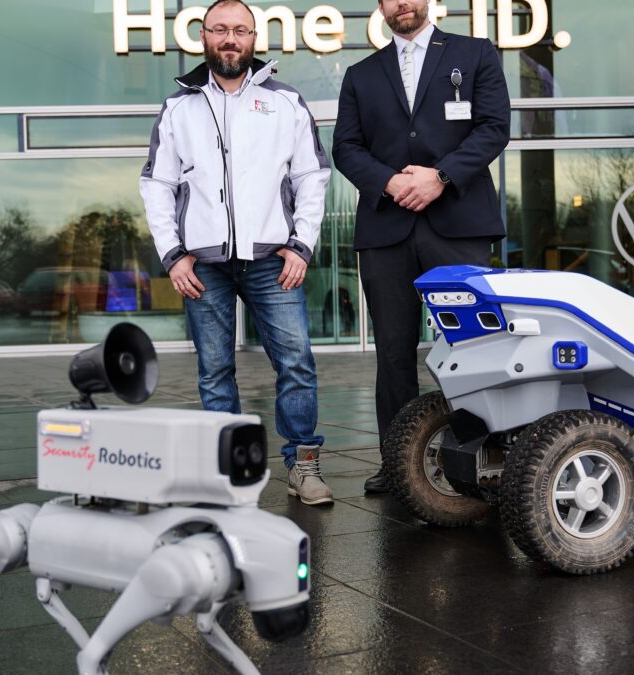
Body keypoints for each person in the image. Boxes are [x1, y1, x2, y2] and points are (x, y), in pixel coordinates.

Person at [140, 0, 333, 505]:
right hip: (202, 264)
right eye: (220, 29)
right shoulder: (179, 108)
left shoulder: (285, 102)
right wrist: (173, 255)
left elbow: (311, 176)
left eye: (240, 31)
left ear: (254, 38)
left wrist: (302, 246)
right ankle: (228, 472)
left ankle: (304, 466)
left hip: (274, 259)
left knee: (296, 362)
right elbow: (157, 185)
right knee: (214, 370)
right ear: (203, 37)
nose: (231, 39)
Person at [332, 0, 510, 493]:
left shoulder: (475, 54)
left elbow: (494, 127)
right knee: (392, 352)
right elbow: (345, 146)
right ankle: (398, 465)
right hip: (386, 229)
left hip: (458, 222)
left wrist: (441, 177)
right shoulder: (361, 74)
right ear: (382, 6)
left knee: (473, 344)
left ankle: (485, 456)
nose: (402, 3)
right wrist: (390, 183)